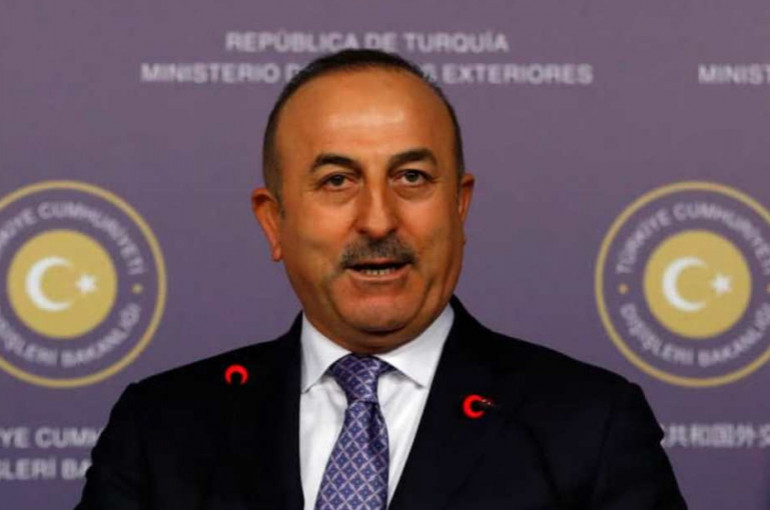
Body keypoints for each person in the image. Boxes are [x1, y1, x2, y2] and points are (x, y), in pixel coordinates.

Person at [76, 49, 687, 510]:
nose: (377, 220)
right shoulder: (160, 429)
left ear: (460, 207)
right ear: (274, 222)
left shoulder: (590, 427)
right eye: (337, 181)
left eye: (412, 177)